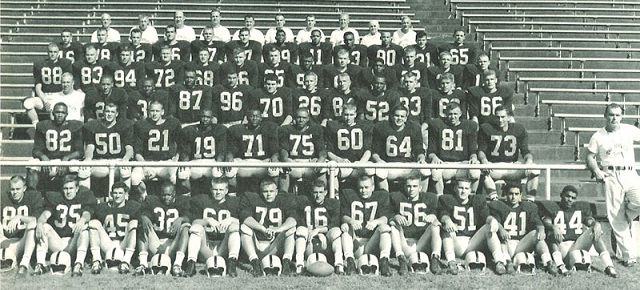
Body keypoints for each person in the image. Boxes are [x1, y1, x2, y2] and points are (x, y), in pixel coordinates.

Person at [586, 103, 640, 267]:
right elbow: (589, 156)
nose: (614, 118)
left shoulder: (629, 129)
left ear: (621, 116)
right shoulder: (598, 136)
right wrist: (596, 170)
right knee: (616, 216)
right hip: (611, 175)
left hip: (630, 172)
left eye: (617, 115)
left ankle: (628, 215)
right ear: (605, 115)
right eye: (611, 114)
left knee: (637, 202)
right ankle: (628, 255)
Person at [539, 185, 617, 277]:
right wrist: (553, 227)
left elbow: (589, 221)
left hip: (576, 244)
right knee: (551, 233)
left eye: (573, 198)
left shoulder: (579, 209)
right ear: (561, 195)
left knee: (595, 232)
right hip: (561, 245)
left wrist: (596, 224)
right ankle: (561, 266)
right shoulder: (553, 208)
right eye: (567, 196)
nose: (570, 200)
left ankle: (609, 266)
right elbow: (546, 221)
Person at [438, 178, 508, 275]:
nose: (463, 191)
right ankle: (451, 262)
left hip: (472, 242)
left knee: (489, 227)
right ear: (455, 188)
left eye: (466, 188)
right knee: (445, 227)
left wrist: (492, 220)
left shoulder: (477, 201)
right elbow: (443, 214)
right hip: (456, 242)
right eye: (460, 188)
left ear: (470, 190)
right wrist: (447, 220)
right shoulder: (448, 199)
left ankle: (499, 261)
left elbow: (486, 216)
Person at [489, 183, 559, 275]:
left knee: (536, 233)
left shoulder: (528, 207)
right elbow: (494, 221)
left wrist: (541, 229)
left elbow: (537, 222)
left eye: (516, 194)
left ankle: (548, 262)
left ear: (520, 195)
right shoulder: (499, 205)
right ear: (505, 194)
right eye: (510, 194)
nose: (513, 197)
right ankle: (507, 263)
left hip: (521, 244)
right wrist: (501, 228)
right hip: (506, 244)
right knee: (500, 238)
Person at [33, 175, 96, 276]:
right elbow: (45, 214)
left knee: (84, 228)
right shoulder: (56, 198)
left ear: (77, 189)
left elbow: (87, 213)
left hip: (73, 242)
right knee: (44, 227)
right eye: (66, 188)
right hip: (58, 241)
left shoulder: (83, 197)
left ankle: (78, 264)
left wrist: (83, 219)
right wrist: (40, 222)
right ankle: (40, 264)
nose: (68, 191)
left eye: (71, 188)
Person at [478, 106, 539, 200]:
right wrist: (484, 161)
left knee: (534, 169)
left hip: (512, 167)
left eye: (503, 117)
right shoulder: (487, 128)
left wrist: (529, 160)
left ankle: (530, 199)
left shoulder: (518, 129)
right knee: (481, 169)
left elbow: (525, 151)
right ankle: (493, 197)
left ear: (509, 117)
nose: (500, 120)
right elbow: (481, 150)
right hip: (494, 167)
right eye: (497, 117)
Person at [184, 177, 241, 277]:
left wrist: (231, 219)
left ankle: (232, 263)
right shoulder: (203, 200)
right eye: (215, 189)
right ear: (211, 189)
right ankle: (191, 264)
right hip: (207, 246)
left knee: (235, 228)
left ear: (226, 190)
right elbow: (194, 223)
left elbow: (244, 223)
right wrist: (207, 220)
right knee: (196, 229)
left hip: (224, 246)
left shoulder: (234, 202)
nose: (218, 192)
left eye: (221, 190)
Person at [240, 179, 297, 276]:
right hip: (257, 244)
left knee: (291, 229)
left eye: (271, 191)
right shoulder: (253, 199)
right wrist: (262, 228)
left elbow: (293, 220)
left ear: (277, 192)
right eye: (265, 191)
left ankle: (286, 262)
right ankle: (255, 262)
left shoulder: (284, 200)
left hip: (275, 245)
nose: (269, 194)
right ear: (261, 192)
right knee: (244, 227)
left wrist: (278, 229)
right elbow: (245, 218)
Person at [389, 174, 443, 275]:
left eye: (414, 186)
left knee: (435, 226)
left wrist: (433, 216)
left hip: (421, 243)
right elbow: (389, 214)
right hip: (404, 243)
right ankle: (401, 258)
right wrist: (395, 216)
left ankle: (435, 258)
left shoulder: (429, 198)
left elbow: (438, 215)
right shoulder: (397, 197)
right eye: (409, 186)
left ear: (420, 188)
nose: (411, 189)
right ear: (404, 187)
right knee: (393, 226)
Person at [135, 182, 191, 276]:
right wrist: (143, 217)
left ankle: (177, 264)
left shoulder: (182, 202)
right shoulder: (153, 201)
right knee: (143, 225)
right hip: (156, 242)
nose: (166, 198)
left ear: (174, 194)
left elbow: (191, 217)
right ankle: (143, 264)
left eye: (169, 195)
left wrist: (182, 219)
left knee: (185, 228)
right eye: (164, 195)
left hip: (173, 244)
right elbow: (140, 212)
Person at [340, 175, 393, 276]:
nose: (363, 190)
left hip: (371, 243)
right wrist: (351, 221)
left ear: (373, 187)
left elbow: (385, 218)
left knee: (385, 228)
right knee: (346, 228)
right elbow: (343, 216)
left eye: (366, 187)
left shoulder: (381, 196)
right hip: (355, 242)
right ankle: (350, 262)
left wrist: (376, 222)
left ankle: (384, 261)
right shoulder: (349, 195)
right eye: (361, 187)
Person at [131, 100, 182, 200]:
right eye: (152, 111)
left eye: (157, 111)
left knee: (176, 176)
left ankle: (174, 199)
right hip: (147, 162)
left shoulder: (172, 123)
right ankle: (145, 197)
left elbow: (181, 145)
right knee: (134, 178)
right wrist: (145, 166)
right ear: (148, 111)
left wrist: (175, 160)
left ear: (162, 112)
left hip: (166, 163)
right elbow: (137, 152)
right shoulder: (141, 125)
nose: (154, 114)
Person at [371, 104, 429, 192]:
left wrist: (421, 158)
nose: (399, 118)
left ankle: (421, 197)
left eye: (402, 116)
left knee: (426, 170)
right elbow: (375, 151)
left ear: (406, 118)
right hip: (389, 164)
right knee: (380, 171)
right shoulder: (382, 128)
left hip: (408, 165)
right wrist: (379, 161)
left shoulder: (414, 128)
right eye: (396, 115)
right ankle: (385, 198)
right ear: (391, 116)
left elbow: (419, 150)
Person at [87, 182, 140, 274]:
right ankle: (96, 261)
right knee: (93, 223)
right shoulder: (102, 207)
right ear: (111, 194)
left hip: (124, 243)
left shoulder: (133, 206)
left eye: (120, 193)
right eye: (115, 193)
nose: (117, 196)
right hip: (108, 242)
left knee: (134, 223)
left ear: (126, 194)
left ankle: (126, 261)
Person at [427, 102, 480, 196]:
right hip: (444, 164)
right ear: (445, 114)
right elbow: (431, 152)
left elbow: (472, 151)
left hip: (462, 164)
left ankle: (472, 196)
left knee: (476, 171)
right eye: (450, 114)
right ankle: (440, 197)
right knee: (435, 171)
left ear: (460, 114)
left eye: (455, 114)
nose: (453, 117)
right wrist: (435, 158)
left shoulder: (469, 125)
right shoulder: (436, 124)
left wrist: (473, 158)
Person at [80, 102, 134, 191]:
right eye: (107, 111)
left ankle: (125, 199)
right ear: (103, 112)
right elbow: (90, 146)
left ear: (116, 114)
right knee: (83, 170)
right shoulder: (94, 125)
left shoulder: (124, 126)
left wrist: (125, 159)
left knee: (125, 170)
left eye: (112, 112)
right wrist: (88, 158)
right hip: (100, 161)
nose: (109, 114)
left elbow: (129, 148)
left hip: (118, 161)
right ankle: (85, 200)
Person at [28, 103, 83, 191]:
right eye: (57, 112)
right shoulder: (43, 126)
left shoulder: (75, 126)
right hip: (49, 161)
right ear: (53, 113)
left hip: (66, 162)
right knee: (32, 165)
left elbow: (80, 151)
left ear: (66, 114)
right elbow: (36, 150)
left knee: (75, 166)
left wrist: (67, 158)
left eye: (62, 112)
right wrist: (43, 157)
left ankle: (73, 195)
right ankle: (32, 195)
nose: (60, 115)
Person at [294, 180, 343, 274]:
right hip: (309, 241)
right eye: (315, 192)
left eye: (321, 192)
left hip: (326, 243)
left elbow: (335, 223)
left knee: (336, 231)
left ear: (326, 192)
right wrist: (312, 232)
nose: (318, 195)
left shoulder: (333, 203)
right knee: (300, 230)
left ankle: (339, 264)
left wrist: (319, 231)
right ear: (311, 192)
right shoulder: (304, 202)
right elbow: (300, 223)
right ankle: (299, 265)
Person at [177, 109, 232, 192]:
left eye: (208, 117)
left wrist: (219, 162)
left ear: (212, 118)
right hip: (195, 161)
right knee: (182, 173)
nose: (205, 119)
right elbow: (186, 151)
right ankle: (186, 198)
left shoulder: (219, 129)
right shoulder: (190, 130)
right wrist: (185, 161)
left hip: (212, 161)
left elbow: (221, 150)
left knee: (217, 172)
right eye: (203, 117)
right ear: (199, 117)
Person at [227, 109, 281, 192]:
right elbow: (232, 148)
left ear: (261, 118)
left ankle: (273, 193)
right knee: (229, 169)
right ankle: (232, 194)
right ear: (247, 118)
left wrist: (275, 156)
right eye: (252, 116)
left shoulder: (268, 129)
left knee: (274, 169)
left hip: (262, 162)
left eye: (257, 116)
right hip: (244, 162)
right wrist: (229, 156)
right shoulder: (238, 129)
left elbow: (274, 149)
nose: (254, 118)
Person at [324, 102, 375, 187]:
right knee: (331, 168)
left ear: (355, 114)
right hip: (342, 165)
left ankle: (369, 194)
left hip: (358, 165)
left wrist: (361, 162)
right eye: (346, 114)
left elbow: (368, 150)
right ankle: (335, 197)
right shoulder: (334, 126)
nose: (348, 118)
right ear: (342, 114)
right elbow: (329, 151)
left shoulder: (364, 126)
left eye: (351, 115)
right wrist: (339, 160)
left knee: (370, 168)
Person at [0, 176, 42, 276]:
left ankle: (24, 264)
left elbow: (36, 219)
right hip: (5, 240)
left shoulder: (32, 197)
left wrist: (19, 217)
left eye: (18, 189)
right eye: (12, 189)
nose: (15, 192)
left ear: (24, 188)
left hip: (22, 242)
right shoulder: (3, 197)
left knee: (32, 226)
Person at [278, 108, 327, 191]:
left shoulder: (315, 129)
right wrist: (285, 159)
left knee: (323, 166)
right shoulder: (287, 129)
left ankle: (321, 194)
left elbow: (322, 150)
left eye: (304, 118)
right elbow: (283, 149)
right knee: (282, 167)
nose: (301, 120)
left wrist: (321, 160)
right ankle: (284, 196)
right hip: (294, 163)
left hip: (310, 163)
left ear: (308, 119)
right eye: (298, 117)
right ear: (294, 118)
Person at [24, 43, 73, 125]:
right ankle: (36, 126)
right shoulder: (40, 64)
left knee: (54, 109)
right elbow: (38, 87)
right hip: (45, 96)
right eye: (50, 52)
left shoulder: (65, 63)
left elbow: (68, 84)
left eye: (54, 52)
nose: (52, 54)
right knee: (27, 103)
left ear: (58, 53)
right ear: (47, 52)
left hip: (59, 96)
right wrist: (45, 100)